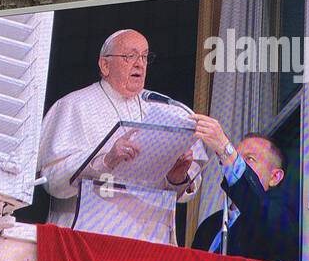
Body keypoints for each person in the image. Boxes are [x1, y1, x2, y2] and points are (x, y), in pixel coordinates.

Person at [35, 29, 206, 245]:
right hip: (87, 240)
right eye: (130, 56)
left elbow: (187, 191)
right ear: (104, 65)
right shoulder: (73, 105)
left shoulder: (168, 111)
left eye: (144, 56)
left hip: (149, 244)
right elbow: (52, 180)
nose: (140, 64)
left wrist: (177, 177)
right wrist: (105, 161)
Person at [188, 121, 299, 261]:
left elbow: (258, 206)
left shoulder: (281, 216)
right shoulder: (209, 225)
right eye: (237, 157)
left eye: (249, 159)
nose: (237, 162)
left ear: (275, 177)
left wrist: (224, 148)